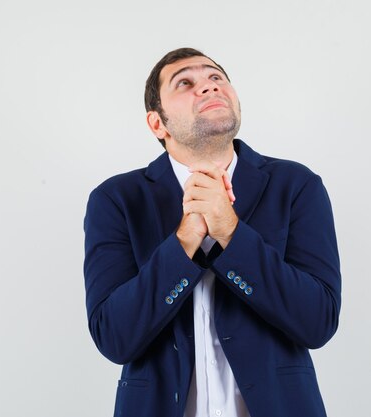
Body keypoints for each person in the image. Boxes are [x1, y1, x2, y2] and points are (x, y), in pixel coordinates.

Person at [83, 47, 341, 417]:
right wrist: (185, 239)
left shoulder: (296, 185)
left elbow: (318, 322)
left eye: (216, 78)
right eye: (185, 82)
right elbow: (114, 337)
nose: (208, 87)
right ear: (158, 123)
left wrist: (231, 233)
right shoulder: (117, 199)